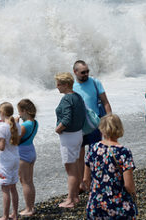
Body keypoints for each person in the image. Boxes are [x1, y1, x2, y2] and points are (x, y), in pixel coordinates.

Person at [84, 114, 137, 219]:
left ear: (102, 129)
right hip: (118, 205)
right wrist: (134, 195)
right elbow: (128, 185)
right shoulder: (123, 152)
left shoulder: (93, 148)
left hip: (95, 204)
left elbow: (86, 179)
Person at [72, 60, 112, 192]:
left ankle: (94, 180)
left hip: (95, 124)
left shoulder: (95, 82)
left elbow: (105, 102)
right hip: (79, 125)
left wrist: (109, 120)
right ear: (75, 72)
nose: (86, 74)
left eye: (87, 71)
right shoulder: (71, 86)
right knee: (79, 155)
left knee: (95, 153)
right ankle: (81, 183)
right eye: (83, 72)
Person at [54, 72, 86, 208]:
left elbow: (66, 119)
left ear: (66, 85)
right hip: (78, 134)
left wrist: (57, 129)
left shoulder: (67, 99)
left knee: (71, 169)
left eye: (59, 84)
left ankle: (70, 200)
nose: (57, 87)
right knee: (76, 167)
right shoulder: (77, 96)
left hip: (69, 136)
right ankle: (76, 197)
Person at [15, 99, 38, 216]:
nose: (19, 114)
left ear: (24, 111)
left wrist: (16, 125)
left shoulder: (24, 125)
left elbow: (15, 140)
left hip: (23, 154)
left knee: (25, 182)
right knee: (29, 181)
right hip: (31, 151)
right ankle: (31, 206)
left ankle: (29, 209)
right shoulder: (35, 122)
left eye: (19, 112)